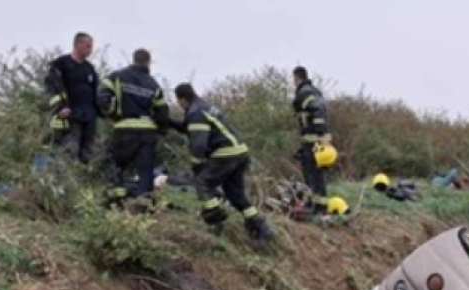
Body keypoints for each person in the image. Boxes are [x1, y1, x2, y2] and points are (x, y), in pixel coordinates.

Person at [173, 83, 275, 248]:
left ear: (182, 99)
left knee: (202, 182)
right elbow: (187, 128)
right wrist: (168, 123)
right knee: (236, 195)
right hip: (239, 152)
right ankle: (261, 228)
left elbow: (198, 145)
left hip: (226, 153)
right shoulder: (203, 107)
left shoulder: (196, 113)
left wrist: (197, 165)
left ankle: (217, 219)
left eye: (178, 102)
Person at [98, 49, 170, 206]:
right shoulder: (153, 84)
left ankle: (116, 197)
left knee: (113, 161)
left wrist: (111, 114)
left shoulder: (117, 76)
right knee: (145, 170)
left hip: (125, 128)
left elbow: (102, 96)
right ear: (149, 62)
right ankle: (144, 204)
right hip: (148, 132)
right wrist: (162, 129)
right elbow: (162, 111)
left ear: (134, 59)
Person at [44, 32, 99, 163]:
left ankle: (83, 179)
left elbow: (95, 92)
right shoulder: (60, 65)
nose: (90, 50)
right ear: (78, 44)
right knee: (69, 152)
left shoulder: (90, 68)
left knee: (87, 155)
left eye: (91, 47)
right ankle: (68, 181)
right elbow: (51, 89)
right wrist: (60, 108)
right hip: (69, 118)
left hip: (88, 118)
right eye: (88, 46)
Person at [291, 66, 330, 205]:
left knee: (312, 174)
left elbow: (317, 110)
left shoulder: (305, 92)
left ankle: (316, 205)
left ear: (296, 78)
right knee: (317, 175)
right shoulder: (314, 91)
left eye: (293, 79)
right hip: (314, 140)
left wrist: (319, 133)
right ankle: (319, 204)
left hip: (313, 140)